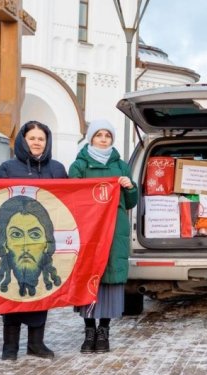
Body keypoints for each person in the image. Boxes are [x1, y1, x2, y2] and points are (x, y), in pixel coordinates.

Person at [0, 120, 68, 360]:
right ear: (23, 141)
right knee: (13, 291)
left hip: (41, 239)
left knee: (40, 289)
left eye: (41, 139)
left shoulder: (57, 169)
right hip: (14, 240)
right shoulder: (7, 168)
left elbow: (70, 202)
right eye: (32, 138)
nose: (37, 143)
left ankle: (36, 344)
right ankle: (9, 347)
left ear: (47, 142)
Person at [69, 119, 138, 353]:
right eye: (99, 135)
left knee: (109, 279)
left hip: (114, 229)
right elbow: (72, 196)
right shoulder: (79, 165)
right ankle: (89, 332)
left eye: (107, 135)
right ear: (91, 138)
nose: (103, 139)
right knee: (89, 277)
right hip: (89, 228)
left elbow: (130, 202)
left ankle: (103, 332)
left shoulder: (121, 166)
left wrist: (130, 187)